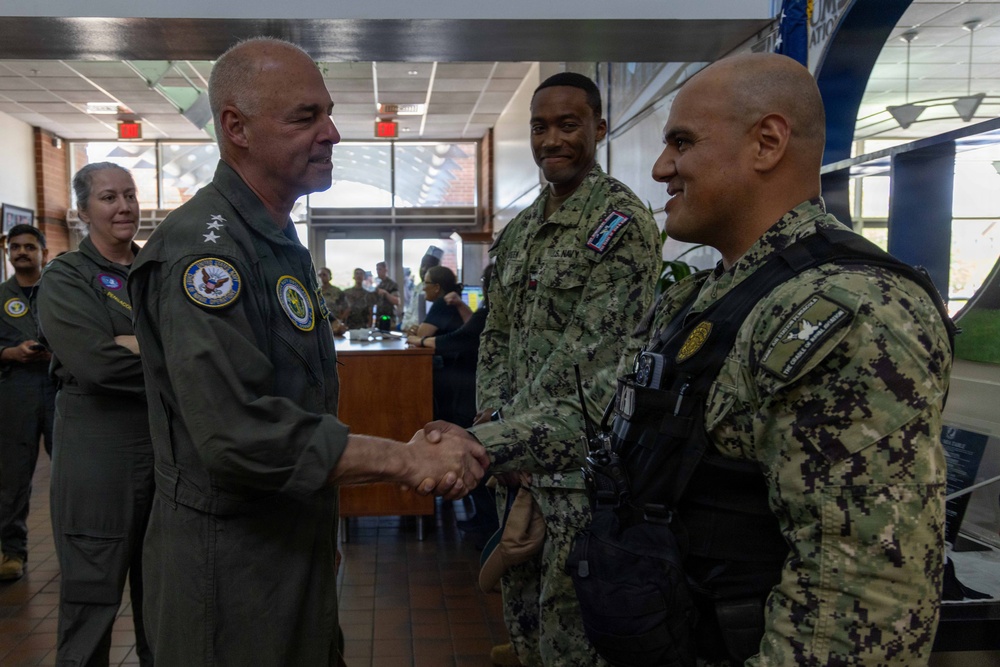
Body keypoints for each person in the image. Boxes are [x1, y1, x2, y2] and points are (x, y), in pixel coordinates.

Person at [127, 37, 487, 666]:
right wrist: (404, 461)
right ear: (236, 128)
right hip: (230, 565)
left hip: (291, 545)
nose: (333, 134)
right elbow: (238, 432)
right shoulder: (205, 253)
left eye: (327, 112)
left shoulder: (273, 238)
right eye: (305, 117)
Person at [629, 52, 951, 664]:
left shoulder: (850, 310)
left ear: (768, 143)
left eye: (681, 142)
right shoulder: (709, 297)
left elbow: (859, 608)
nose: (660, 167)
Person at [428, 72, 660, 666]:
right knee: (523, 623)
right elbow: (496, 335)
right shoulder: (525, 229)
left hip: (577, 479)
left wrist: (505, 440)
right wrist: (496, 423)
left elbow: (589, 359)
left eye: (567, 125)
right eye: (540, 126)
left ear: (599, 129)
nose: (551, 139)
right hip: (518, 469)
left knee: (572, 640)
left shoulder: (619, 225)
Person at [36, 163, 154, 665]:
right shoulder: (65, 278)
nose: (124, 206)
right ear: (83, 211)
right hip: (96, 457)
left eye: (129, 195)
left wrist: (135, 345)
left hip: (162, 451)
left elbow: (206, 345)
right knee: (91, 601)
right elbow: (97, 366)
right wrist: (174, 362)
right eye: (109, 198)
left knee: (167, 604)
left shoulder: (159, 271)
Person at [0, 223, 55, 581]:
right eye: (16, 247)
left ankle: (77, 548)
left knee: (70, 474)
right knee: (12, 477)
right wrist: (8, 353)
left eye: (29, 247)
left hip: (58, 388)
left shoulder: (60, 291)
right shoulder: (0, 296)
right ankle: (11, 553)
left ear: (43, 253)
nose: (22, 252)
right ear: (8, 253)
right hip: (14, 392)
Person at [401, 246, 443, 332]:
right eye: (422, 265)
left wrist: (412, 328)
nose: (424, 269)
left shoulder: (439, 290)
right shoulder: (418, 287)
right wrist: (405, 327)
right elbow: (409, 312)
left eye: (428, 266)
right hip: (410, 332)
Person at [318, 266, 349, 335]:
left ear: (330, 276)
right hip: (320, 325)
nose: (322, 277)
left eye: (324, 275)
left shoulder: (337, 291)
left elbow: (347, 308)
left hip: (334, 324)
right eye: (319, 275)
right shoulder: (316, 292)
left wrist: (340, 320)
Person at [374, 260, 400, 329]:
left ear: (385, 270)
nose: (378, 271)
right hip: (379, 318)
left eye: (380, 269)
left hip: (389, 318)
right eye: (377, 269)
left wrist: (386, 293)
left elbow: (396, 301)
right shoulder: (379, 286)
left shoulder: (392, 285)